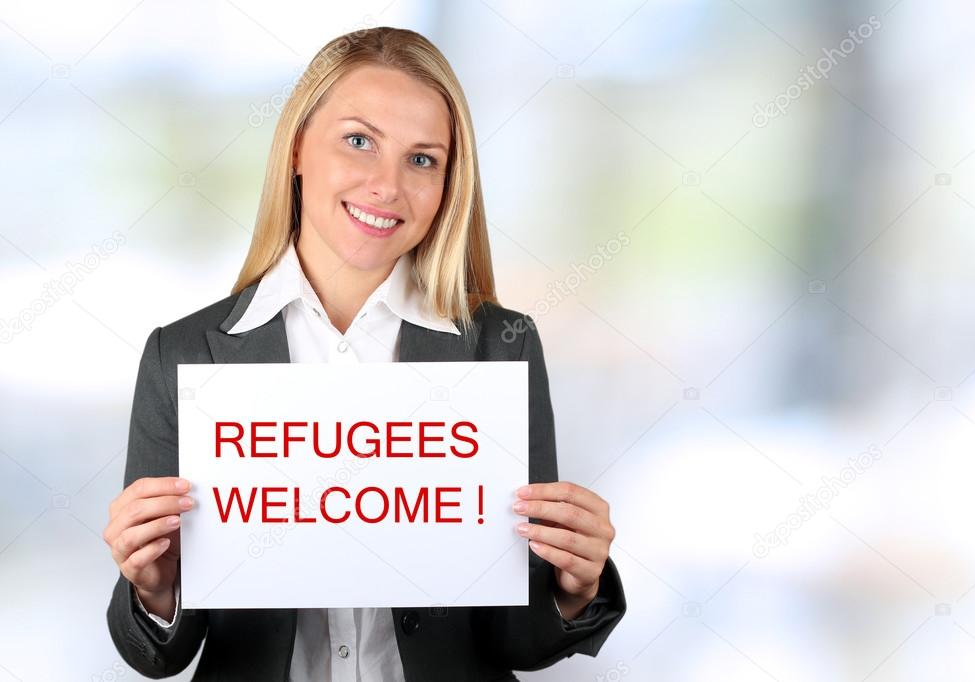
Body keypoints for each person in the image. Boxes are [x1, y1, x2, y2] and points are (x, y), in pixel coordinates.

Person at [103, 26, 625, 680]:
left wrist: (572, 588)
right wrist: (156, 589)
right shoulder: (183, 355)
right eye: (358, 142)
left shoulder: (501, 346)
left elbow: (518, 640)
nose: (386, 186)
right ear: (295, 148)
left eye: (422, 159)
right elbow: (159, 654)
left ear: (447, 184)